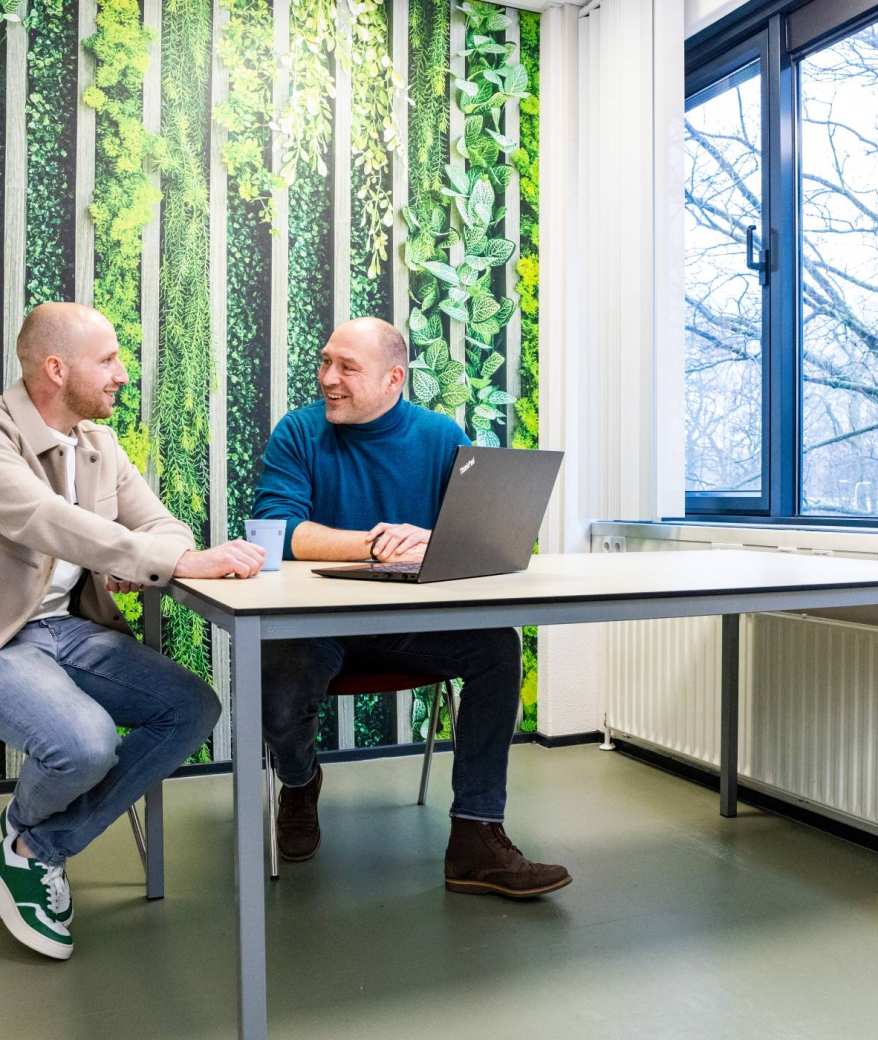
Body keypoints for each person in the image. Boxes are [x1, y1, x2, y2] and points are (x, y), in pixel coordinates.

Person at [253, 317, 572, 898]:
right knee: (278, 668)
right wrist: (376, 542)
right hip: (316, 628)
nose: (327, 378)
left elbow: (475, 536)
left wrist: (431, 538)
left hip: (407, 628)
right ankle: (300, 781)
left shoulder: (439, 435)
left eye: (347, 367)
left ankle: (476, 836)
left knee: (497, 646)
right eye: (326, 362)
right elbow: (277, 531)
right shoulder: (297, 432)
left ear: (394, 378)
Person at [0, 302, 266, 961]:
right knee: (85, 746)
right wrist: (145, 557)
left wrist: (149, 555)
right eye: (109, 359)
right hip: (8, 639)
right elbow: (51, 522)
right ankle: (31, 842)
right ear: (57, 369)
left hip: (69, 631)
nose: (123, 374)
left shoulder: (99, 446)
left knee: (191, 708)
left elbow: (165, 527)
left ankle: (32, 845)